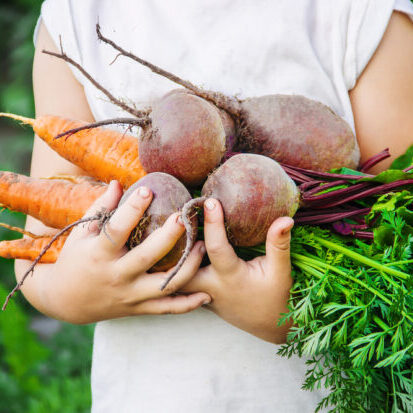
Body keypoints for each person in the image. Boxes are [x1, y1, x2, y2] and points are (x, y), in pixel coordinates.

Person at [16, 0, 413, 411]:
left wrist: (290, 315)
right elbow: (39, 258)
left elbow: (400, 234)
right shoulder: (77, 15)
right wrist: (75, 293)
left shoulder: (363, 13)